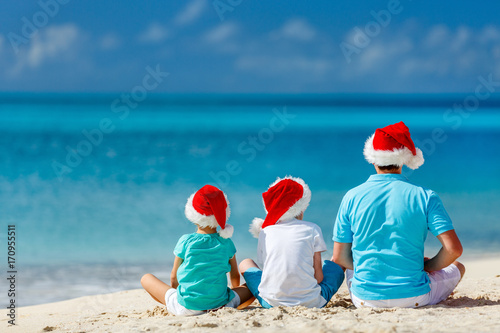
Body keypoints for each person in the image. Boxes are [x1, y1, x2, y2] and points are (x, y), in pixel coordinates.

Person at [332, 121, 465, 308]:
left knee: (352, 267)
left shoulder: (351, 197)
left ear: (371, 158)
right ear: (405, 159)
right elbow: (453, 250)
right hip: (414, 297)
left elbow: (340, 258)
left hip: (364, 300)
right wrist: (427, 266)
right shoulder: (425, 196)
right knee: (458, 266)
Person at [141, 185, 254, 316]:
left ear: (193, 214)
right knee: (252, 284)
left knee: (146, 278)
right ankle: (236, 305)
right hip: (221, 305)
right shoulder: (226, 242)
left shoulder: (186, 241)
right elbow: (234, 275)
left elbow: (174, 277)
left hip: (186, 308)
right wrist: (233, 295)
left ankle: (172, 306)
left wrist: (178, 296)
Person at [240, 176, 345, 308]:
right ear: (301, 208)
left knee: (245, 263)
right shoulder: (312, 229)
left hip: (271, 303)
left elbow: (267, 270)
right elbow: (318, 278)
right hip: (312, 303)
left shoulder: (265, 232)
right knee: (337, 262)